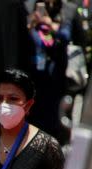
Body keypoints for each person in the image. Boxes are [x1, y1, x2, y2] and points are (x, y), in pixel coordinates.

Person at [26, 0, 86, 144]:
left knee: (56, 124)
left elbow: (70, 37)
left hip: (60, 80)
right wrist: (30, 26)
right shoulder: (29, 7)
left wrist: (49, 24)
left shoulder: (68, 10)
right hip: (35, 79)